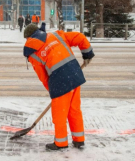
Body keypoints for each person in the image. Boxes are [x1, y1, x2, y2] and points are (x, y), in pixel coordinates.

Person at [23, 23, 95, 151]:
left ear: (28, 38)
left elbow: (43, 77)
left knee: (59, 114)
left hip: (59, 81)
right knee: (74, 110)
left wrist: (53, 90)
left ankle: (60, 143)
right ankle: (79, 140)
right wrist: (87, 53)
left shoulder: (33, 53)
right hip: (75, 74)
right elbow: (79, 37)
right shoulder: (56, 35)